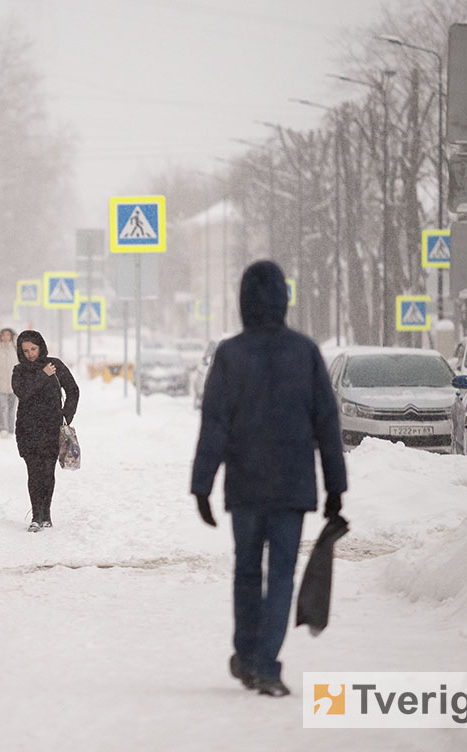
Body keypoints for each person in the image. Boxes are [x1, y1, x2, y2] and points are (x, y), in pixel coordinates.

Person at [190, 260, 347, 698]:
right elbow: (326, 423)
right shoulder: (305, 351)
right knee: (281, 575)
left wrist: (202, 485)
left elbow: (215, 424)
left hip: (245, 486)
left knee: (245, 572)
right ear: (283, 300)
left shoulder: (230, 354)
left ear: (243, 302)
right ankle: (266, 665)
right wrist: (336, 486)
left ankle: (247, 655)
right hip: (293, 487)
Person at [12, 330, 79, 532]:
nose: (31, 354)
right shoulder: (19, 370)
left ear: (40, 346)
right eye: (26, 350)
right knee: (33, 472)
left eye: (33, 348)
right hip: (28, 428)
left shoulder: (55, 365)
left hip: (51, 427)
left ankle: (46, 515)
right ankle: (35, 516)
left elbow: (73, 390)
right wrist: (42, 375)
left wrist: (66, 415)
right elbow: (23, 392)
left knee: (48, 471)